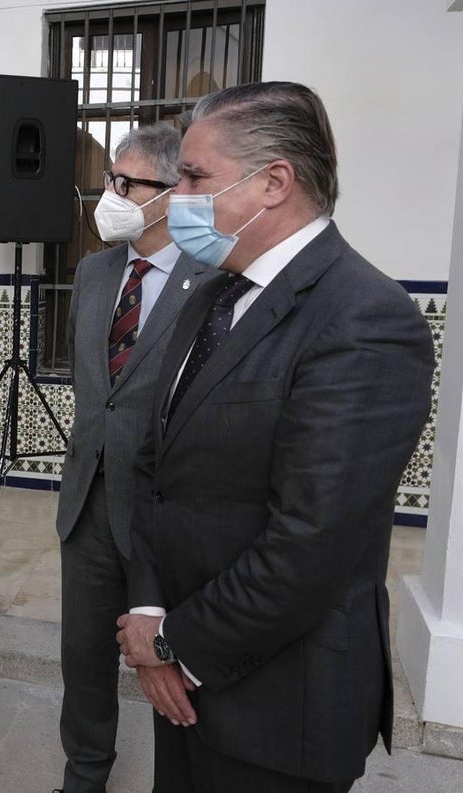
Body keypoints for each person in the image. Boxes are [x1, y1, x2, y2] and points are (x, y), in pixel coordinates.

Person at [115, 81, 435, 792]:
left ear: (274, 183)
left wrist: (173, 643)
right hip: (181, 690)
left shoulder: (366, 319)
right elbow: (152, 466)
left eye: (195, 177)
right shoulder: (210, 293)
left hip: (279, 716)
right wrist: (146, 609)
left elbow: (309, 545)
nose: (177, 196)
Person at [53, 124, 220, 793]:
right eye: (107, 181)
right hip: (87, 501)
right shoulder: (94, 272)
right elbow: (98, 394)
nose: (108, 195)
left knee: (173, 665)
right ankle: (84, 775)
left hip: (167, 512)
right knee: (83, 661)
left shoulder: (211, 282)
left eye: (125, 184)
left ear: (170, 191)